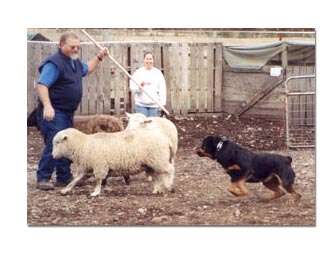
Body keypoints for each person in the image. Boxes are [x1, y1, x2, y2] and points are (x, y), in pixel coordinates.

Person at [36, 31, 108, 191]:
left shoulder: (73, 62)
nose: (76, 49)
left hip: (68, 112)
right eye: (72, 47)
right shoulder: (54, 64)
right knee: (53, 143)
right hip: (55, 111)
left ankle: (63, 176)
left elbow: (87, 69)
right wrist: (48, 106)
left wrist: (99, 57)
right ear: (61, 45)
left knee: (67, 144)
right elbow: (42, 85)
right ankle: (43, 177)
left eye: (78, 47)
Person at [129, 51, 167, 117]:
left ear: (153, 60)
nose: (149, 61)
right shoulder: (138, 73)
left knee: (153, 125)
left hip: (154, 105)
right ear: (144, 60)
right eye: (147, 59)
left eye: (150, 59)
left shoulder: (158, 73)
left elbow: (162, 90)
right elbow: (132, 88)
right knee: (143, 125)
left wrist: (162, 104)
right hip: (141, 105)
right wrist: (139, 88)